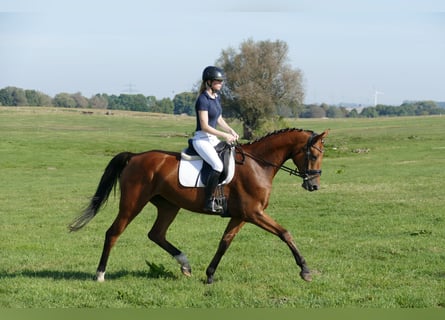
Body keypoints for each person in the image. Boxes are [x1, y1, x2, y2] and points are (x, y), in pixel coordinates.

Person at [192, 66, 239, 213]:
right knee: (217, 166)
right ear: (209, 82)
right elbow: (205, 126)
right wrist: (225, 136)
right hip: (202, 139)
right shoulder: (202, 100)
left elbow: (218, 118)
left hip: (212, 139)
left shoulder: (216, 98)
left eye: (221, 81)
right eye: (218, 81)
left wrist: (230, 130)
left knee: (230, 157)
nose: (221, 83)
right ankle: (208, 201)